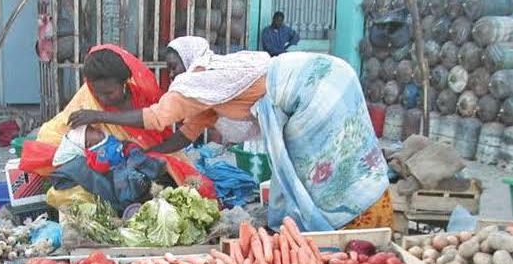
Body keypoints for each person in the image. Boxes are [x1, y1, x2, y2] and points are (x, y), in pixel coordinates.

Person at [68, 36, 392, 232]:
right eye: (168, 69)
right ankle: (332, 225)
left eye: (175, 65)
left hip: (313, 84)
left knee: (321, 166)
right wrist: (150, 156)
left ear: (191, 60)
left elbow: (156, 118)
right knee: (315, 164)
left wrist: (96, 114)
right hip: (323, 77)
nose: (173, 74)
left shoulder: (198, 78)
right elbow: (186, 134)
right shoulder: (210, 88)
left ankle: (348, 224)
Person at [23, 44, 215, 208]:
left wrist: (140, 153)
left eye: (109, 93)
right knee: (72, 182)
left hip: (142, 161)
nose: (102, 98)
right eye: (98, 93)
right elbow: (55, 135)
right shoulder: (88, 99)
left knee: (181, 185)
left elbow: (157, 128)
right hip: (106, 168)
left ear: (124, 84)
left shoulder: (142, 99)